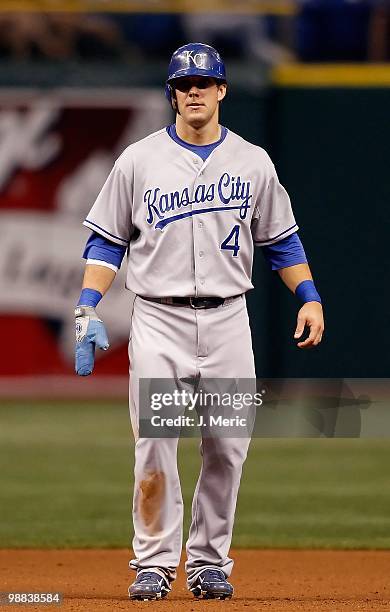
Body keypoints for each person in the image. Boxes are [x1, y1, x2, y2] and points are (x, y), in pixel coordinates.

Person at [75, 43, 324, 601]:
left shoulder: (253, 161)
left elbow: (281, 241)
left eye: (204, 83)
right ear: (172, 94)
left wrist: (308, 296)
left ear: (222, 91)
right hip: (159, 320)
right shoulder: (138, 161)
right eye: (184, 85)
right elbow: (106, 242)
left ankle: (210, 562)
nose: (194, 92)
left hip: (229, 319)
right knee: (157, 442)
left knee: (228, 445)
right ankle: (155, 563)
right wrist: (87, 306)